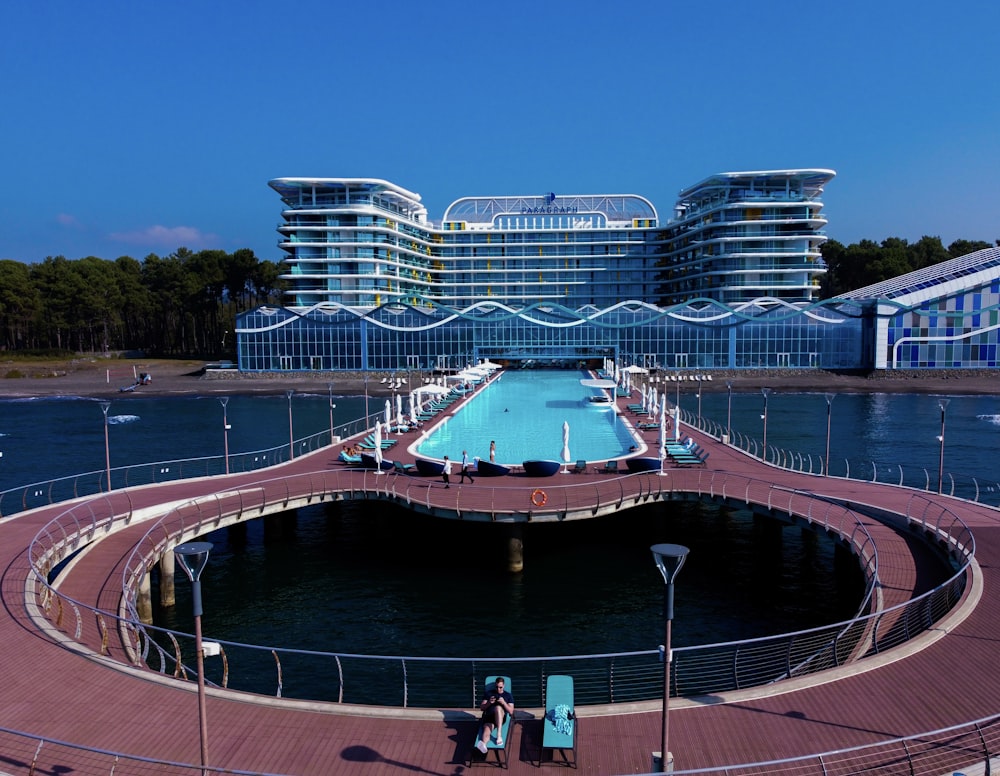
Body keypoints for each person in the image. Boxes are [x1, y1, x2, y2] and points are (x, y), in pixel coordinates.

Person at [476, 677, 514, 753]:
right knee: (486, 731)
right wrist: (489, 703)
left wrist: (503, 703)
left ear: (503, 685)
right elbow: (482, 708)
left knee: (498, 708)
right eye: (497, 687)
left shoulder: (508, 695)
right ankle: (483, 744)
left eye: (500, 687)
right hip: (489, 717)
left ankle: (499, 735)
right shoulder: (489, 694)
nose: (498, 689)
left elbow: (511, 711)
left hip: (500, 717)